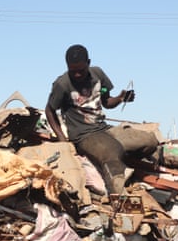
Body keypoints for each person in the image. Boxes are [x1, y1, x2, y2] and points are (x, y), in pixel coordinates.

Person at [45, 44, 159, 194]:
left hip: (104, 128)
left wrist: (121, 98)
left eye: (81, 71)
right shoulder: (62, 84)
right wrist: (61, 137)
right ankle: (118, 197)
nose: (77, 75)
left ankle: (122, 160)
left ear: (89, 63)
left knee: (149, 141)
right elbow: (49, 110)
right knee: (111, 152)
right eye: (73, 71)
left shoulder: (97, 74)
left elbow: (107, 102)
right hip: (83, 135)